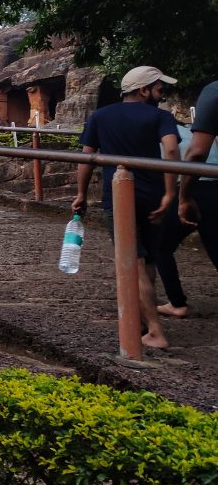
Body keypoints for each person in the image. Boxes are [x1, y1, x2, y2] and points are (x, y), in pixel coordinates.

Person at [71, 66, 180, 349]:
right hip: (155, 197)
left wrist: (81, 194)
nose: (161, 93)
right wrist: (171, 192)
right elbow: (170, 149)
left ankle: (154, 330)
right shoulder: (161, 116)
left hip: (119, 196)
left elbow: (87, 158)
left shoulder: (100, 116)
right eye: (159, 88)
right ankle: (144, 321)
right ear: (143, 90)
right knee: (150, 260)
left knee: (137, 263)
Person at [154, 80, 218, 317]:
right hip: (215, 183)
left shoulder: (213, 92)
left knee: (162, 246)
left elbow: (195, 153)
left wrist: (182, 197)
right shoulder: (182, 129)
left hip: (195, 184)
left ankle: (177, 303)